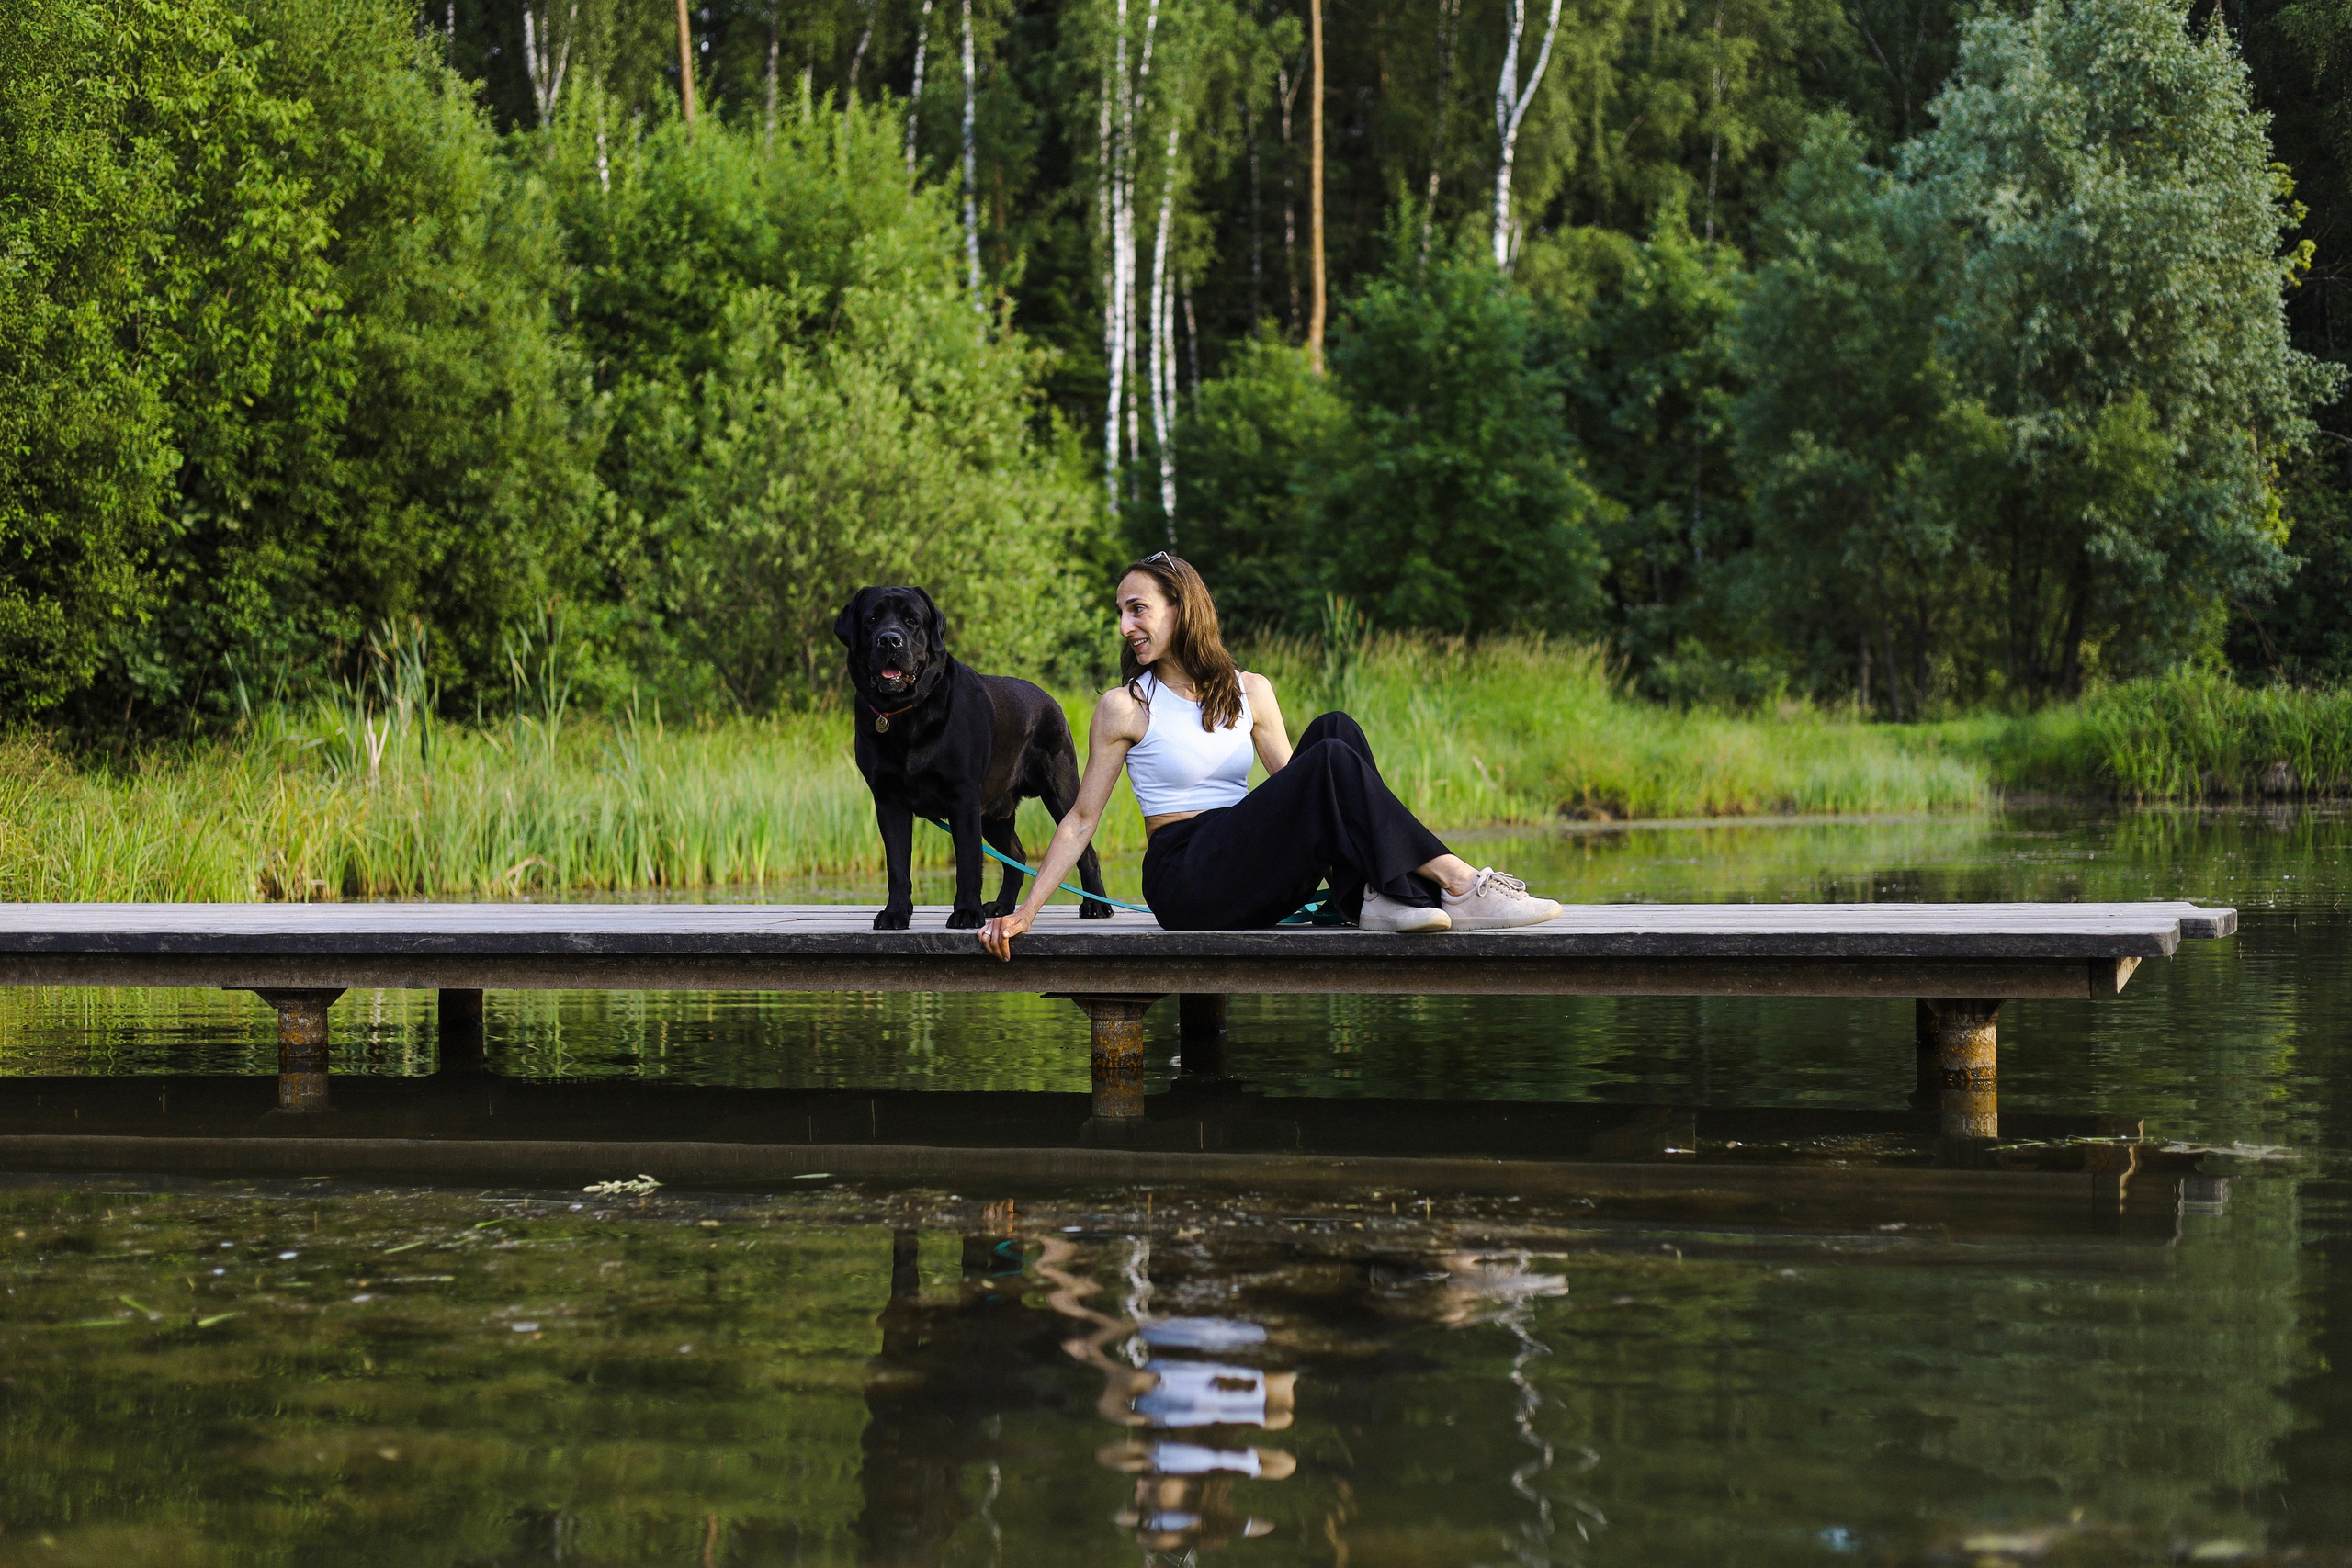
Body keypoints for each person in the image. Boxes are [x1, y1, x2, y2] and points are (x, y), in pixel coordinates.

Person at [977, 552, 1561, 959]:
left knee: (1336, 732)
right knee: (1330, 757)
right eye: (1122, 613)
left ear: (1180, 608)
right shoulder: (1125, 706)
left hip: (1248, 863)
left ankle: (1380, 896)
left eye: (1138, 609)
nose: (1125, 626)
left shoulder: (1250, 691)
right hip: (1187, 879)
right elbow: (1081, 819)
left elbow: (1304, 787)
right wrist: (1026, 912)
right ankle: (1460, 883)